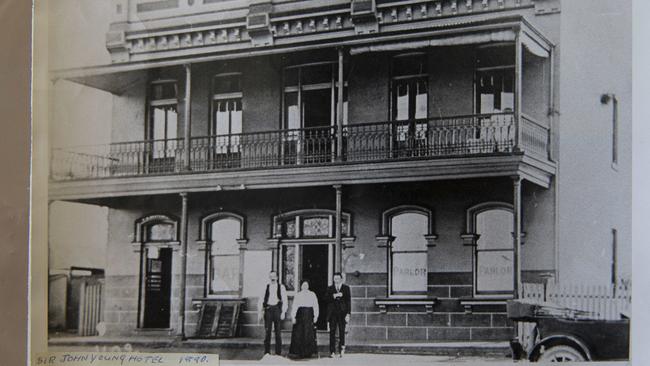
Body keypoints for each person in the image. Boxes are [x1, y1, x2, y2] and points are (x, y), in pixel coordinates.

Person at [258, 271, 288, 356]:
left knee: (278, 332)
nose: (272, 278)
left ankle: (278, 353)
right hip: (268, 310)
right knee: (268, 332)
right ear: (269, 277)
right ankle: (267, 352)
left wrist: (283, 312)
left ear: (277, 277)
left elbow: (285, 300)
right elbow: (261, 299)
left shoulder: (281, 287)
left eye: (274, 276)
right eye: (271, 276)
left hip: (277, 310)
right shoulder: (266, 287)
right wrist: (260, 311)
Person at [289, 280, 319, 359]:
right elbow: (295, 306)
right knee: (299, 333)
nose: (305, 286)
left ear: (308, 286)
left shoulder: (312, 294)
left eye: (306, 285)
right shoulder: (298, 295)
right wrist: (293, 317)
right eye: (303, 285)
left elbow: (316, 306)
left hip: (309, 315)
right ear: (301, 286)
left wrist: (316, 316)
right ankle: (299, 352)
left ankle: (308, 352)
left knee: (308, 333)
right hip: (300, 315)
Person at [325, 272, 350, 358]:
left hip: (342, 313)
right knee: (332, 332)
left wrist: (348, 313)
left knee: (342, 331)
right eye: (335, 279)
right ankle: (332, 351)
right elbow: (325, 299)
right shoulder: (330, 288)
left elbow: (348, 301)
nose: (336, 280)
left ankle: (341, 349)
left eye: (338, 279)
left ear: (341, 279)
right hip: (333, 314)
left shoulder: (346, 288)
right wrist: (333, 296)